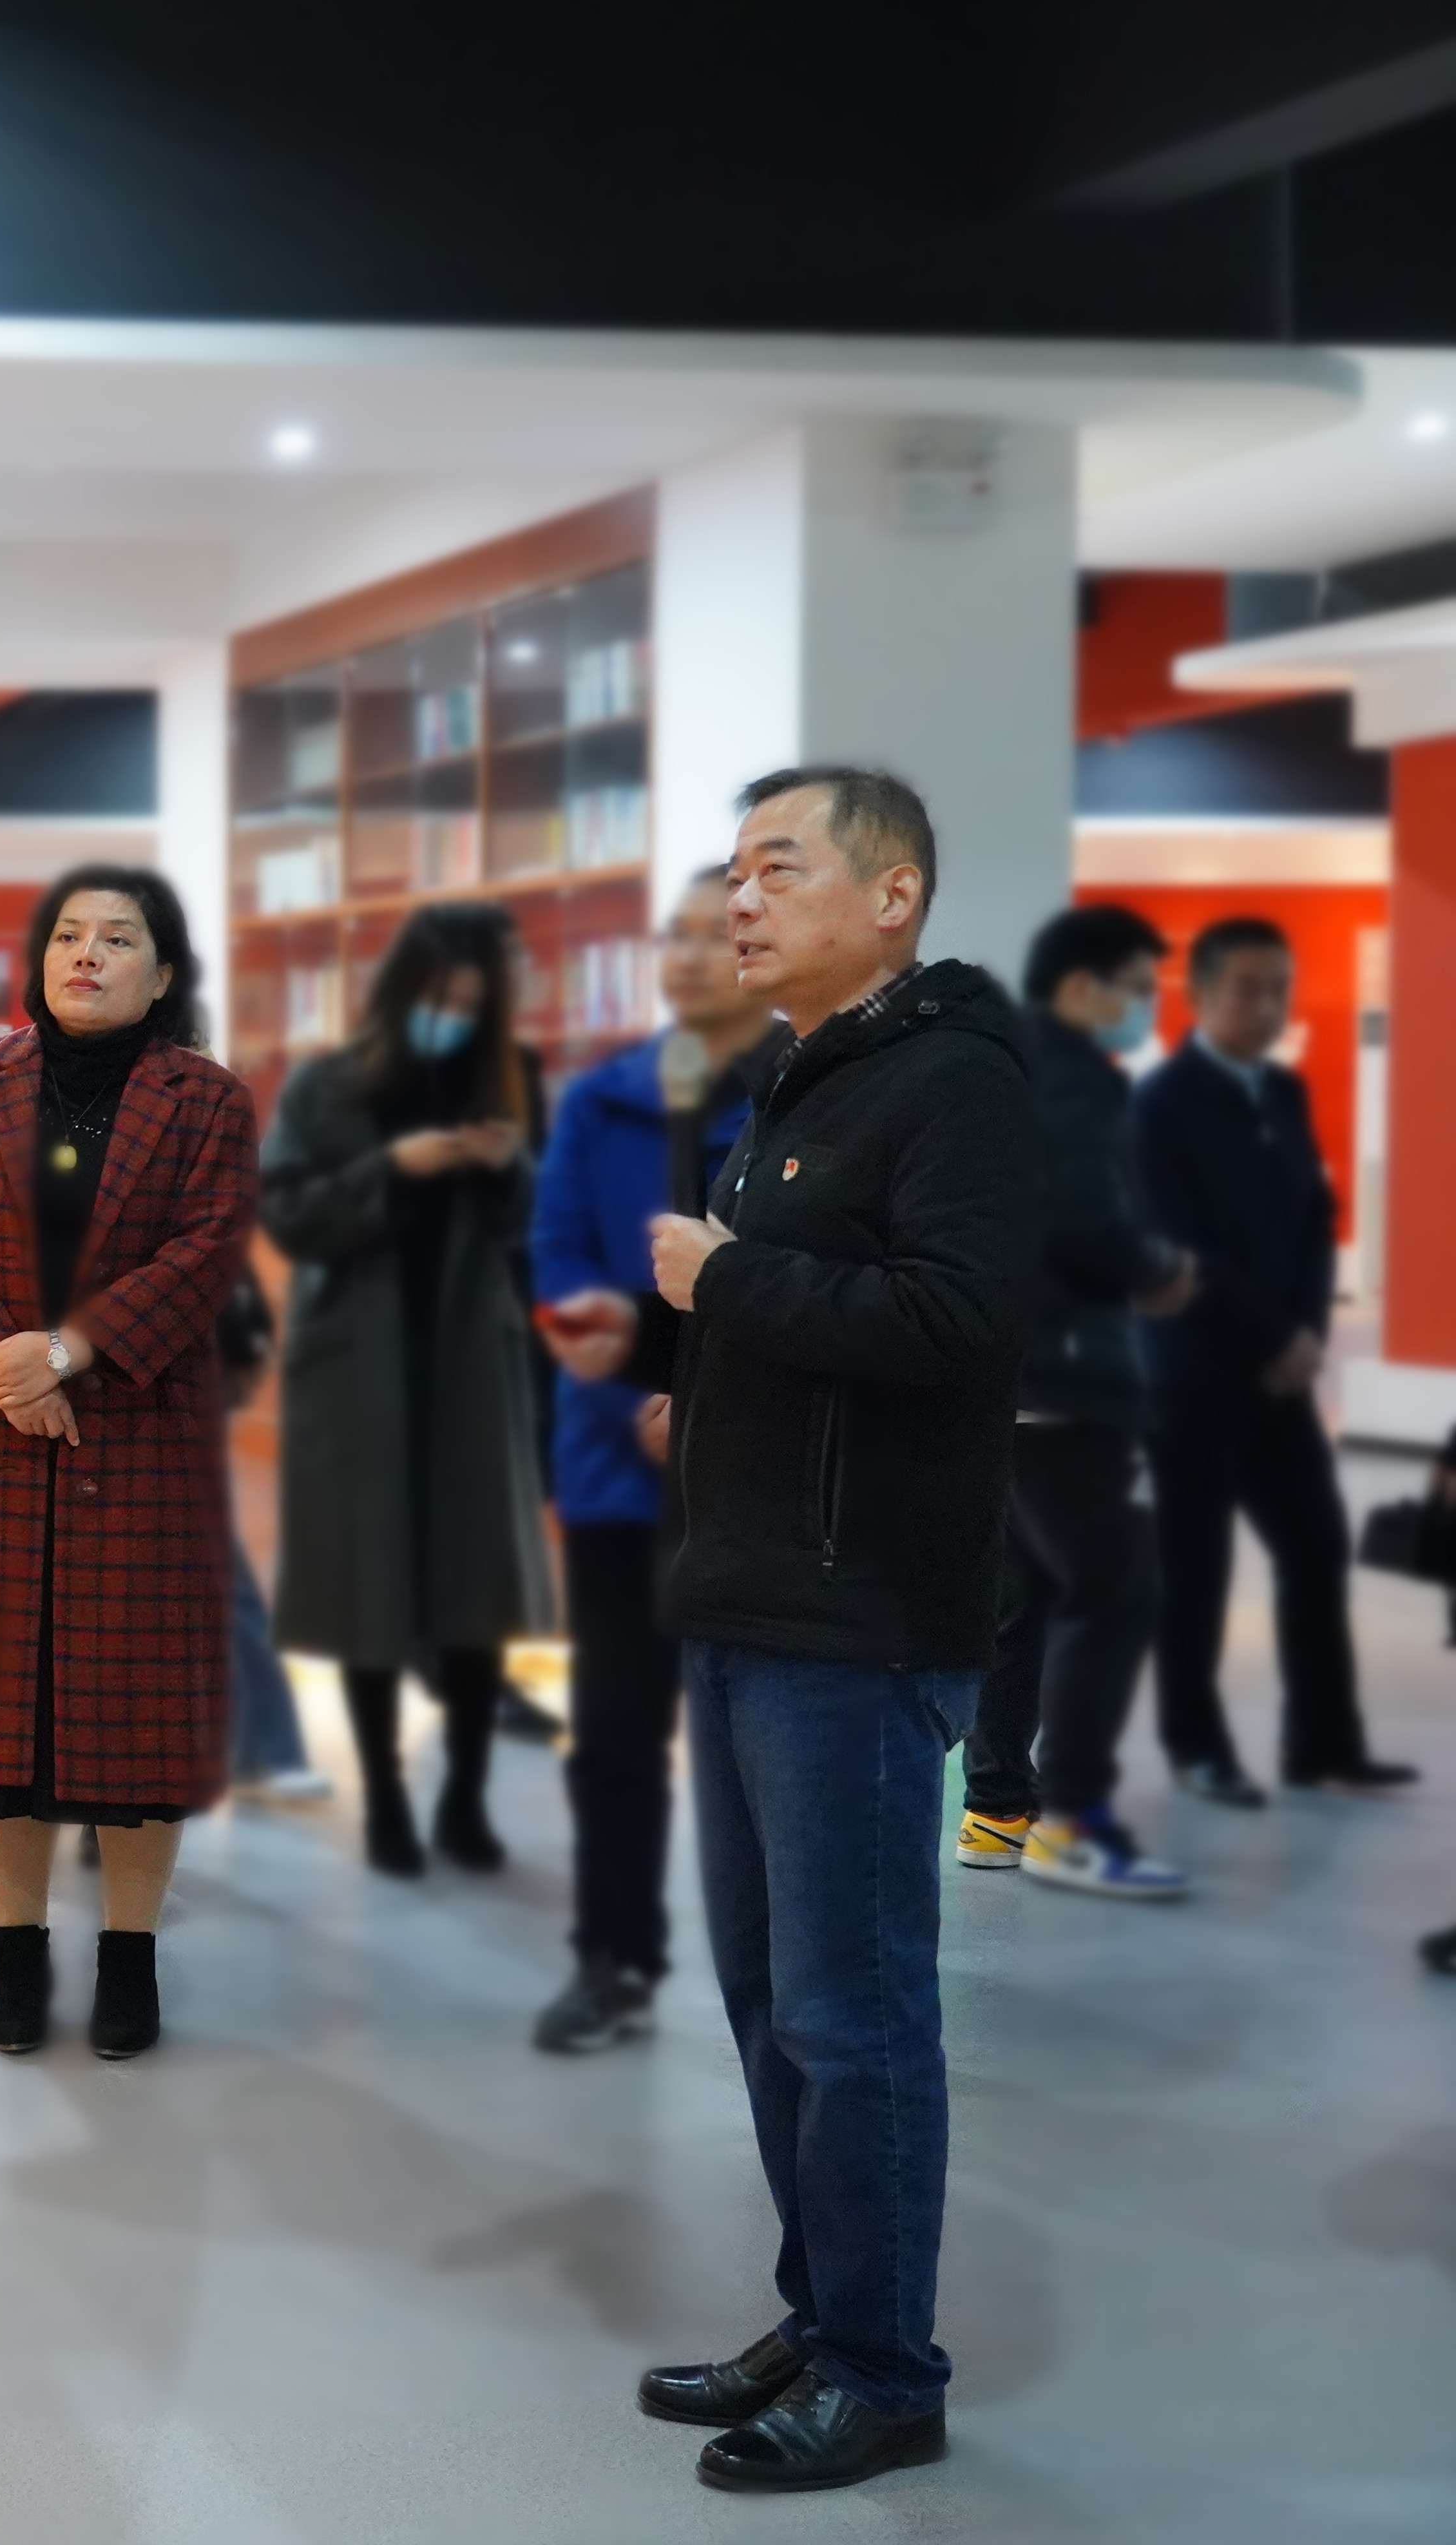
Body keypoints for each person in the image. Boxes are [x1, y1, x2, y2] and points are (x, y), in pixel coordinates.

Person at [620, 766, 1040, 2493]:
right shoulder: (802, 1074)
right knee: (767, 2000)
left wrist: (722, 1282)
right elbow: (830, 1319)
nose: (740, 899)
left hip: (856, 1619)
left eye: (777, 868)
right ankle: (825, 2310)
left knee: (852, 2013)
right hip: (750, 1597)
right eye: (733, 871)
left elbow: (958, 1319)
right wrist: (707, 1393)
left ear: (893, 894)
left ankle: (884, 2370)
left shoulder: (957, 1080)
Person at [0, 863, 255, 2062]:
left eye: (118, 938)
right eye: (69, 935)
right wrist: (4, 1360)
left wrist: (69, 1352)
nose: (87, 954)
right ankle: (17, 1950)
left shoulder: (209, 1100)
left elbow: (207, 1251)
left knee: (137, 1720)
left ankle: (130, 1957)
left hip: (138, 1432)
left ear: (164, 972)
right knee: (3, 1723)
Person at [528, 866, 783, 2049]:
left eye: (709, 935)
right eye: (669, 938)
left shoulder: (808, 1092)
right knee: (619, 1733)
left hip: (765, 1477)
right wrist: (636, 1380)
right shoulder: (603, 1099)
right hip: (618, 1470)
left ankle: (792, 1972)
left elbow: (811, 1280)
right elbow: (558, 1262)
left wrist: (708, 1397)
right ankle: (614, 1957)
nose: (684, 956)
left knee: (770, 1740)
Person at [259, 901, 555, 1880]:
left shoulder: (508, 1080)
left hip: (469, 1366)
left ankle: (464, 1798)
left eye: (470, 1006)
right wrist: (390, 1169)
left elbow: (536, 1225)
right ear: (400, 993)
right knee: (368, 1592)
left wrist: (507, 1170)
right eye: (439, 1000)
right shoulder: (327, 1085)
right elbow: (287, 1215)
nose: (452, 1020)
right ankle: (386, 1799)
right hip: (356, 1369)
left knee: (473, 1592)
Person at [1133, 917, 1417, 1798]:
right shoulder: (1160, 1105)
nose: (1267, 1007)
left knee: (1317, 1548)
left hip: (1280, 1378)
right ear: (1200, 994)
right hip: (1192, 1377)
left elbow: (1314, 1224)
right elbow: (1178, 1249)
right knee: (1197, 1567)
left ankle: (1324, 1745)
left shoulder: (1284, 1093)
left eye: (1279, 990)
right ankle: (1197, 1746)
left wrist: (1309, 1335)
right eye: (1247, 989)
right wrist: (1277, 1336)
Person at [955, 907, 1203, 1897]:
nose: (1145, 1007)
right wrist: (1159, 1267)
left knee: (1025, 1598)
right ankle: (1073, 1819)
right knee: (1115, 1590)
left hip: (1003, 1380)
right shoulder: (1073, 1081)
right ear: (1081, 987)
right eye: (1137, 988)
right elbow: (1084, 1221)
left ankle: (996, 1812)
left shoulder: (994, 1069)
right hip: (1067, 1382)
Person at [214, 1275, 330, 1804]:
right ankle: (262, 1753)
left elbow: (246, 1310)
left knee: (229, 1591)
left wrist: (245, 1356)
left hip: (174, 1411)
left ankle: (266, 1753)